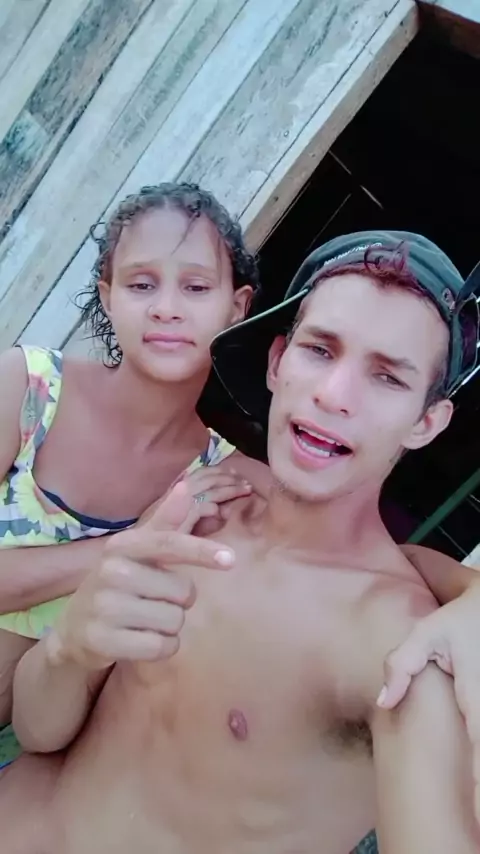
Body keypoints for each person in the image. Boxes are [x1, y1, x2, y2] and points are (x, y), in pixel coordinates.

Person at [2, 231, 480, 854]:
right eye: (320, 350)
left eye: (387, 377)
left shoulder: (397, 643)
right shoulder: (198, 506)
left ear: (426, 422)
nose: (334, 395)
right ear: (278, 362)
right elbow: (39, 731)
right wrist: (71, 646)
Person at [0, 181, 269, 733]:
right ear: (108, 297)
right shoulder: (27, 391)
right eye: (141, 284)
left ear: (236, 306)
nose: (166, 309)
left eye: (196, 287)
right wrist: (130, 545)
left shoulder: (221, 478)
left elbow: (359, 545)